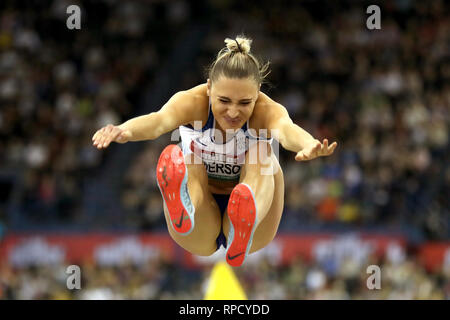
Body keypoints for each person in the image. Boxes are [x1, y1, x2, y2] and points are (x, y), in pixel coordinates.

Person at [92, 36, 337, 267]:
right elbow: (158, 122)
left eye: (244, 103)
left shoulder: (267, 110)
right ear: (209, 88)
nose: (233, 112)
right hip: (200, 220)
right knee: (187, 158)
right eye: (224, 101)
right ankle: (185, 205)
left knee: (262, 153)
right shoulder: (192, 101)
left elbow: (286, 131)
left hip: (255, 224)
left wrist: (308, 143)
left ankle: (244, 220)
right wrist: (123, 131)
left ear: (258, 92)